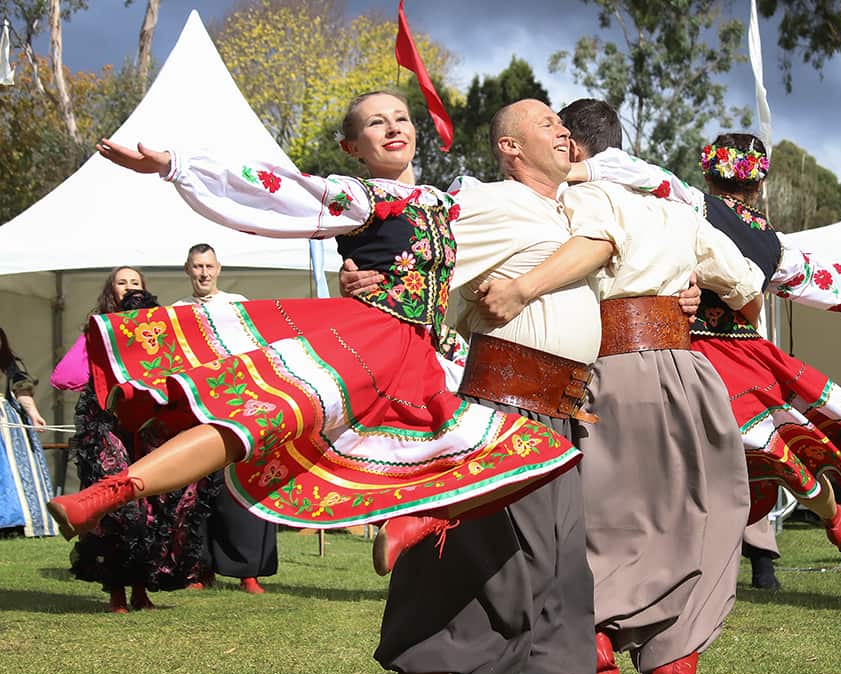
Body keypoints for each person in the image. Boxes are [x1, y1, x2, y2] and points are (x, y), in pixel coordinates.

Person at [46, 91, 581, 560]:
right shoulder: (362, 197)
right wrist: (177, 166)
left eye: (401, 118)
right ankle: (107, 494)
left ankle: (419, 518)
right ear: (352, 147)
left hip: (423, 359)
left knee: (536, 451)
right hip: (366, 339)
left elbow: (550, 180)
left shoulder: (450, 201)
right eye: (376, 123)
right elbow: (275, 189)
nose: (393, 127)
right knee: (256, 420)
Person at [339, 99, 705, 674]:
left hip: (562, 410)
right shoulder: (484, 202)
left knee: (561, 572)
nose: (564, 132)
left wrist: (678, 296)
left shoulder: (575, 211)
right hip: (507, 402)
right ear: (510, 148)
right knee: (517, 564)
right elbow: (419, 250)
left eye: (564, 126)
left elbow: (616, 266)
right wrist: (370, 274)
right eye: (546, 125)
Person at [479, 99, 763, 674]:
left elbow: (579, 255)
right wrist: (689, 295)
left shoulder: (575, 202)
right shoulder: (679, 210)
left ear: (576, 148)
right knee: (695, 531)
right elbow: (747, 287)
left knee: (594, 534)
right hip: (689, 378)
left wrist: (520, 289)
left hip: (608, 376)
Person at [517, 135, 841, 563]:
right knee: (781, 449)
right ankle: (831, 512)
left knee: (679, 452)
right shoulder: (775, 245)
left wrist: (567, 171)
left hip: (684, 349)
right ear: (759, 185)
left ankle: (657, 551)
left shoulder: (692, 205)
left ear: (708, 173)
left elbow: (633, 171)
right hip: (746, 354)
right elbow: (824, 280)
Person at [52, 273, 218, 612]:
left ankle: (141, 591)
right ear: (110, 291)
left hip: (150, 427)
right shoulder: (98, 330)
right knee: (119, 511)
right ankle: (117, 593)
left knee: (155, 510)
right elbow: (65, 376)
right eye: (122, 282)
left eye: (135, 282)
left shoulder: (161, 331)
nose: (130, 287)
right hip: (109, 426)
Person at [172, 244, 276, 596]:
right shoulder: (176, 312)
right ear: (187, 270)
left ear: (218, 269)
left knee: (240, 488)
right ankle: (199, 568)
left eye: (209, 266)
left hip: (236, 408)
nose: (203, 273)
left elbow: (257, 352)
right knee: (196, 491)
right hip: (194, 411)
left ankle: (249, 572)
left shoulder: (237, 304)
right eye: (197, 266)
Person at [0, 327, 56, 538]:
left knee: (12, 473)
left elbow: (22, 391)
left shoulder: (11, 366)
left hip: (7, 427)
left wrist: (33, 414)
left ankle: (16, 523)